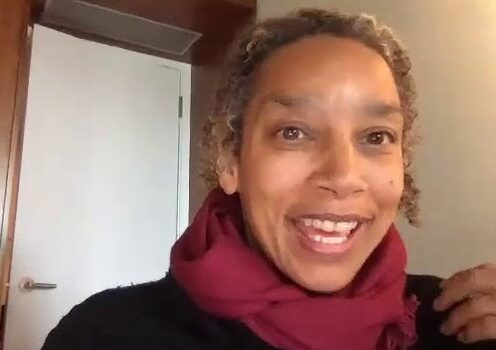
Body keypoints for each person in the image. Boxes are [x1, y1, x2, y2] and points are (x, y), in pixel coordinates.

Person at [41, 9, 496, 350]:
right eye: (293, 132)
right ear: (231, 161)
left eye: (376, 136)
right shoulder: (108, 336)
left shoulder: (457, 320)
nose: (342, 176)